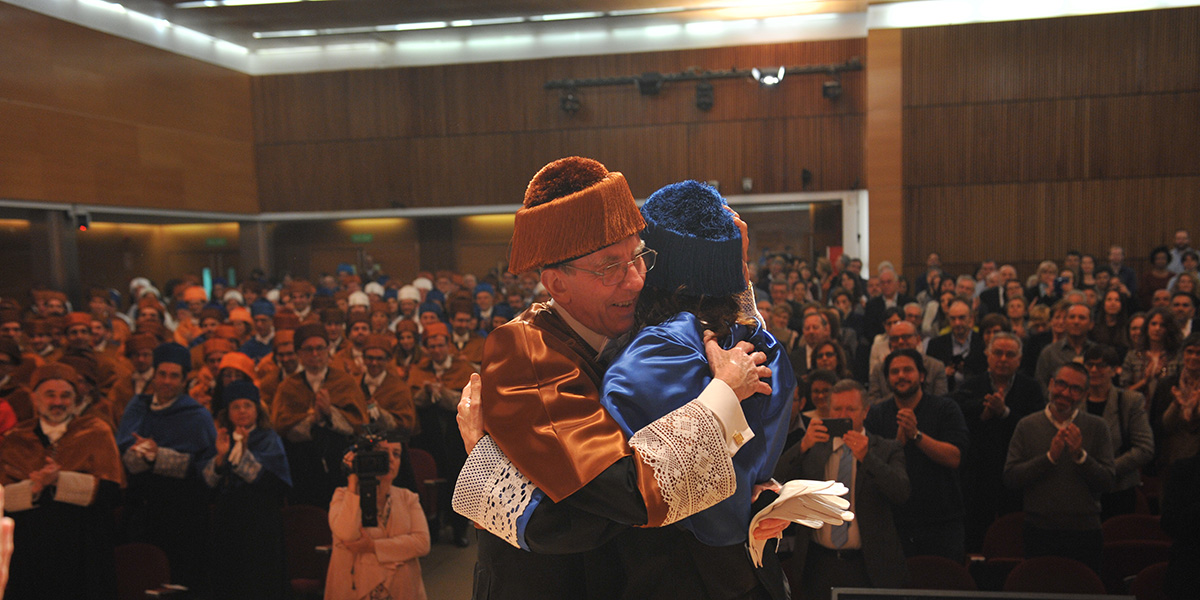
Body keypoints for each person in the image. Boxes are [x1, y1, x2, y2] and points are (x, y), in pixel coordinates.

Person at [453, 158, 769, 599]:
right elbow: (627, 495)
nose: (636, 280)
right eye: (610, 268)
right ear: (556, 285)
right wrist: (722, 397)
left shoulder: (637, 325)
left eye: (638, 256)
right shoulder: (526, 349)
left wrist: (731, 270)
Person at [595, 180, 794, 599]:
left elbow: (668, 490)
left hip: (678, 568)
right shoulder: (756, 343)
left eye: (638, 257)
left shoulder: (659, 350)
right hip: (747, 568)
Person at [772, 380, 910, 600]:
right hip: (818, 564)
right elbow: (775, 480)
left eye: (850, 409)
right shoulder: (814, 447)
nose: (842, 415)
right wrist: (802, 446)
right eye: (837, 409)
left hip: (869, 565)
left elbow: (901, 492)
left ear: (865, 411)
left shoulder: (885, 449)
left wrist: (868, 459)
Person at [0, 363, 124, 600]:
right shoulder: (17, 438)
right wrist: (33, 489)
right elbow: (3, 497)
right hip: (30, 551)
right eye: (50, 395)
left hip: (82, 550)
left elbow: (112, 492)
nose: (58, 402)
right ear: (35, 399)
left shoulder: (96, 431)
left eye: (66, 395)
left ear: (75, 400)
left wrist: (59, 480)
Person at [116, 342, 218, 592]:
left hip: (182, 513)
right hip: (141, 508)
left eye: (174, 376)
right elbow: (125, 448)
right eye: (162, 374)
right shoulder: (138, 406)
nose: (166, 381)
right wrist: (142, 454)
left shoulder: (196, 415)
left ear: (184, 381)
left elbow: (203, 465)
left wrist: (157, 455)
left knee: (178, 579)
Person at [1004, 362, 1115, 572]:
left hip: (1085, 532)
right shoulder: (1027, 425)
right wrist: (1049, 458)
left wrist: (1080, 456)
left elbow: (1108, 481)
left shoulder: (1097, 426)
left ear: (1084, 394)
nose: (1065, 393)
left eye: (1075, 389)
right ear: (1051, 384)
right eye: (1061, 384)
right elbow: (1011, 477)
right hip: (1039, 530)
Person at [864, 348, 969, 562]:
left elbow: (954, 457)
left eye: (907, 370)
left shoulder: (946, 408)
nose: (901, 376)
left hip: (941, 520)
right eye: (894, 372)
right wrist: (898, 443)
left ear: (922, 375)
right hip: (893, 521)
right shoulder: (877, 414)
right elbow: (871, 464)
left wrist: (917, 435)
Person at [953, 332, 1045, 553]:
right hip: (978, 474)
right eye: (998, 353)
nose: (1003, 359)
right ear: (987, 356)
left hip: (1016, 473)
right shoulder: (972, 385)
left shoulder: (1031, 388)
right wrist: (983, 412)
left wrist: (1004, 413)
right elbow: (958, 417)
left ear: (1019, 360)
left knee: (1014, 540)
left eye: (1010, 354)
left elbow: (1036, 429)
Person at [201, 381, 292, 600]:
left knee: (259, 582)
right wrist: (221, 458)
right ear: (228, 412)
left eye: (247, 405)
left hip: (261, 522)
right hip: (229, 521)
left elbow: (277, 483)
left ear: (256, 410)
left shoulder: (269, 439)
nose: (242, 411)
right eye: (236, 406)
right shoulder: (222, 439)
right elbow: (207, 483)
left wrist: (243, 458)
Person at [271, 323, 368, 508]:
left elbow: (358, 423)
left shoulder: (344, 382)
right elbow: (281, 426)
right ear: (299, 353)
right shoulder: (288, 386)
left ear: (328, 350)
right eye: (308, 349)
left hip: (340, 462)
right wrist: (311, 420)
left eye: (319, 348)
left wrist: (330, 413)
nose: (315, 354)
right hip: (302, 464)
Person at [327, 436, 430, 600]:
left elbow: (422, 543)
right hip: (356, 590)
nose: (390, 459)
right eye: (382, 453)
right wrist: (353, 481)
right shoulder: (343, 496)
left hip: (401, 592)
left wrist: (372, 547)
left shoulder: (408, 498)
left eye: (396, 454)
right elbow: (347, 534)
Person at [1081, 345, 1154, 520]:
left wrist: (1106, 470)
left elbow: (1145, 448)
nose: (1094, 370)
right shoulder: (1074, 400)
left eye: (1101, 365)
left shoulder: (1129, 401)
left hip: (1118, 488)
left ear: (1115, 370)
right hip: (1081, 490)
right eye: (1089, 365)